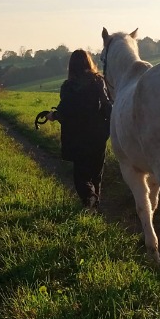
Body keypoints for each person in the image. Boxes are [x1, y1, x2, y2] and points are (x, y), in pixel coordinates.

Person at [48, 49, 112, 210]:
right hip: (98, 135)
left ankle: (90, 199)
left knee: (81, 175)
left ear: (71, 66)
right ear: (89, 62)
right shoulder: (99, 81)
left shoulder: (68, 86)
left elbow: (65, 112)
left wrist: (52, 116)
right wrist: (107, 127)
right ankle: (95, 204)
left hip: (77, 137)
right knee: (97, 173)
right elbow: (107, 106)